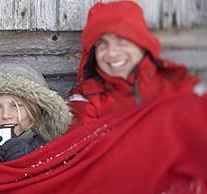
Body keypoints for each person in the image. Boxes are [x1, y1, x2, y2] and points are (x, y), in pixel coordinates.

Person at [67, 1, 205, 128]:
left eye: (121, 40)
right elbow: (82, 150)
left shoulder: (179, 83)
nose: (112, 53)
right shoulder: (85, 99)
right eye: (101, 43)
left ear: (142, 44)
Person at [0, 63, 72, 162]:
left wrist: (32, 158)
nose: (6, 115)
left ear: (35, 110)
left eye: (16, 106)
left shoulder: (53, 149)